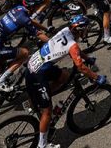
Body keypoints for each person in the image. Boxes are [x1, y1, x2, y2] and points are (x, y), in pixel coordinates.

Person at [25, 16, 106, 148]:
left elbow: (74, 50)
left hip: (36, 63)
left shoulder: (65, 31)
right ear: (79, 30)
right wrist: (96, 77)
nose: (87, 32)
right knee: (47, 112)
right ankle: (42, 144)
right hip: (37, 73)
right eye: (85, 29)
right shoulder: (72, 45)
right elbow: (80, 66)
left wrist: (87, 58)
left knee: (64, 76)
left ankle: (37, 100)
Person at [0, 0, 52, 90]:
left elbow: (30, 21)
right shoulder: (24, 19)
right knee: (25, 53)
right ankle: (0, 82)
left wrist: (46, 28)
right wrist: (52, 42)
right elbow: (38, 34)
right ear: (32, 7)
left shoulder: (18, 8)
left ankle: (2, 74)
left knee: (3, 62)